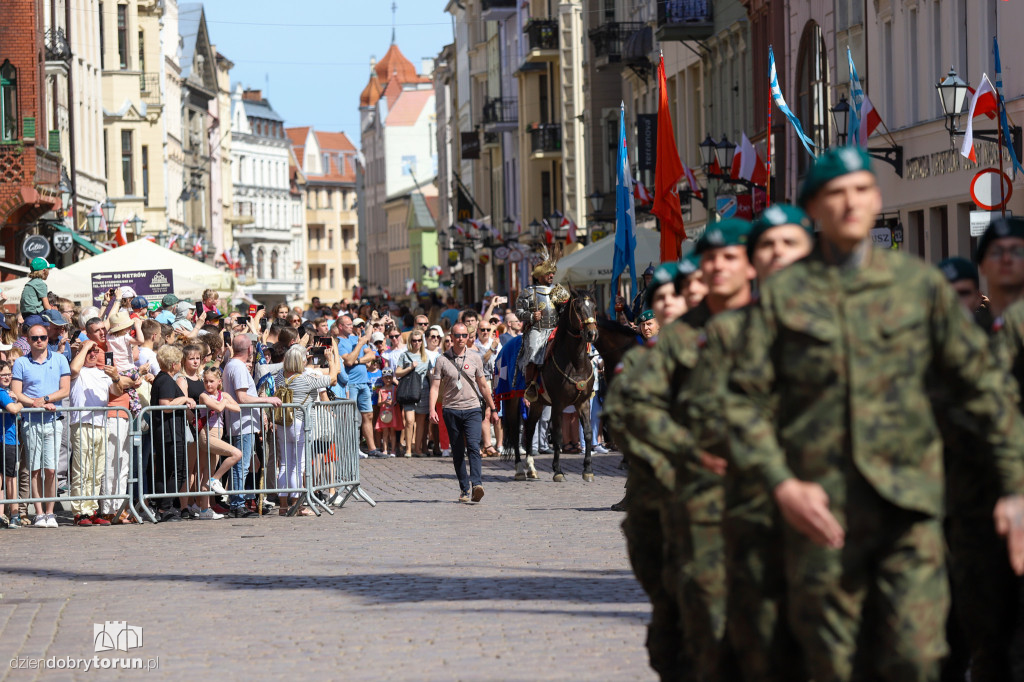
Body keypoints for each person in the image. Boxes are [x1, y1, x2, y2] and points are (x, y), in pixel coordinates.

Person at [724, 147, 1024, 681]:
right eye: (835, 193)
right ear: (814, 207)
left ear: (876, 198)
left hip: (909, 508)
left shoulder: (918, 288)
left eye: (861, 190)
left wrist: (1014, 487)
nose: (850, 203)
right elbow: (743, 402)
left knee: (916, 659)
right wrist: (782, 485)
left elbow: (984, 389)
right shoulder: (782, 297)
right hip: (821, 514)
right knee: (836, 666)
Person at [687, 203, 814, 682]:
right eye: (768, 246)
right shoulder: (726, 335)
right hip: (757, 515)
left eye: (791, 244)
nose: (779, 255)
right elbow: (718, 420)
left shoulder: (859, 320)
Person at [428, 323, 498, 503]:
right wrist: (432, 409)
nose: (460, 339)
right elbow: (435, 388)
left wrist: (493, 408)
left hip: (473, 409)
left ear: (468, 337)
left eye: (464, 336)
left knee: (474, 446)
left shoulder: (475, 357)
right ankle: (464, 489)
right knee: (458, 451)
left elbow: (483, 385)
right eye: (457, 336)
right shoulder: (442, 360)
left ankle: (477, 485)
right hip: (451, 410)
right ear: (451, 337)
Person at [11, 322, 71, 528]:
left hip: (54, 421)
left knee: (52, 470)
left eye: (43, 337)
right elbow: (17, 392)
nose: (39, 341)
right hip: (31, 422)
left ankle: (50, 512)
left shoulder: (60, 359)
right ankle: (38, 513)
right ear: (28, 340)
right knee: (34, 470)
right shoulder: (20, 363)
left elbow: (65, 390)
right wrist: (36, 403)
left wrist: (44, 399)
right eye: (35, 338)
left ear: (48, 339)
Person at [67, 339, 131, 526]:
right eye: (90, 352)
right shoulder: (77, 370)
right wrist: (85, 346)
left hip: (100, 424)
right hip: (81, 423)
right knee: (82, 469)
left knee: (96, 471)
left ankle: (92, 508)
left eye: (96, 351)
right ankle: (80, 512)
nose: (93, 354)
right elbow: (74, 370)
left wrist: (116, 377)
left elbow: (117, 391)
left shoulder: (103, 373)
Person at [223, 334, 282, 518]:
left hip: (244, 422)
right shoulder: (238, 367)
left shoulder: (233, 365)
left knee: (246, 464)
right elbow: (242, 398)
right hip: (242, 424)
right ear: (249, 350)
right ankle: (237, 503)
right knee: (241, 465)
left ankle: (242, 500)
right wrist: (266, 400)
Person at [272, 345, 334, 514]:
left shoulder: (280, 376)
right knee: (298, 465)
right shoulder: (305, 379)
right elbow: (333, 378)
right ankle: (297, 504)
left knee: (285, 463)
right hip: (300, 422)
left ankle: (283, 505)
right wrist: (330, 359)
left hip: (284, 421)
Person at [516, 252, 569, 402]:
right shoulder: (528, 292)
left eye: (552, 273)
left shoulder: (559, 291)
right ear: (539, 276)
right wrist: (532, 316)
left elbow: (566, 310)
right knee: (533, 350)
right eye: (548, 273)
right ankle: (530, 384)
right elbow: (519, 312)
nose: (551, 275)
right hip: (537, 329)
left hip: (555, 329)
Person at [396, 330, 430, 457]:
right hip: (410, 391)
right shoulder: (405, 355)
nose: (417, 343)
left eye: (419, 340)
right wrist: (410, 367)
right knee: (409, 420)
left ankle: (418, 449)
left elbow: (429, 375)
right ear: (410, 341)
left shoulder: (426, 356)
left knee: (421, 421)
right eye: (414, 340)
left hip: (424, 391)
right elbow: (397, 373)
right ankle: (408, 449)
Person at [0, 360, 23, 529]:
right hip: (6, 440)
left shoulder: (6, 392)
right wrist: (20, 402)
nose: (7, 377)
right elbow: (14, 410)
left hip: (9, 439)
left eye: (9, 374)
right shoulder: (2, 392)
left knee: (5, 477)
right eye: (3, 375)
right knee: (10, 478)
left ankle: (3, 515)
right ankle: (14, 514)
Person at [374, 368, 399, 457]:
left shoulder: (394, 388)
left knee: (392, 432)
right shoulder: (381, 390)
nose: (388, 380)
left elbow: (397, 399)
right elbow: (379, 403)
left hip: (392, 412)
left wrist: (393, 402)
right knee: (385, 432)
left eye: (389, 378)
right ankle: (385, 449)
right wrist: (384, 402)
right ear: (382, 379)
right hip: (384, 414)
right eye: (386, 378)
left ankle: (392, 450)